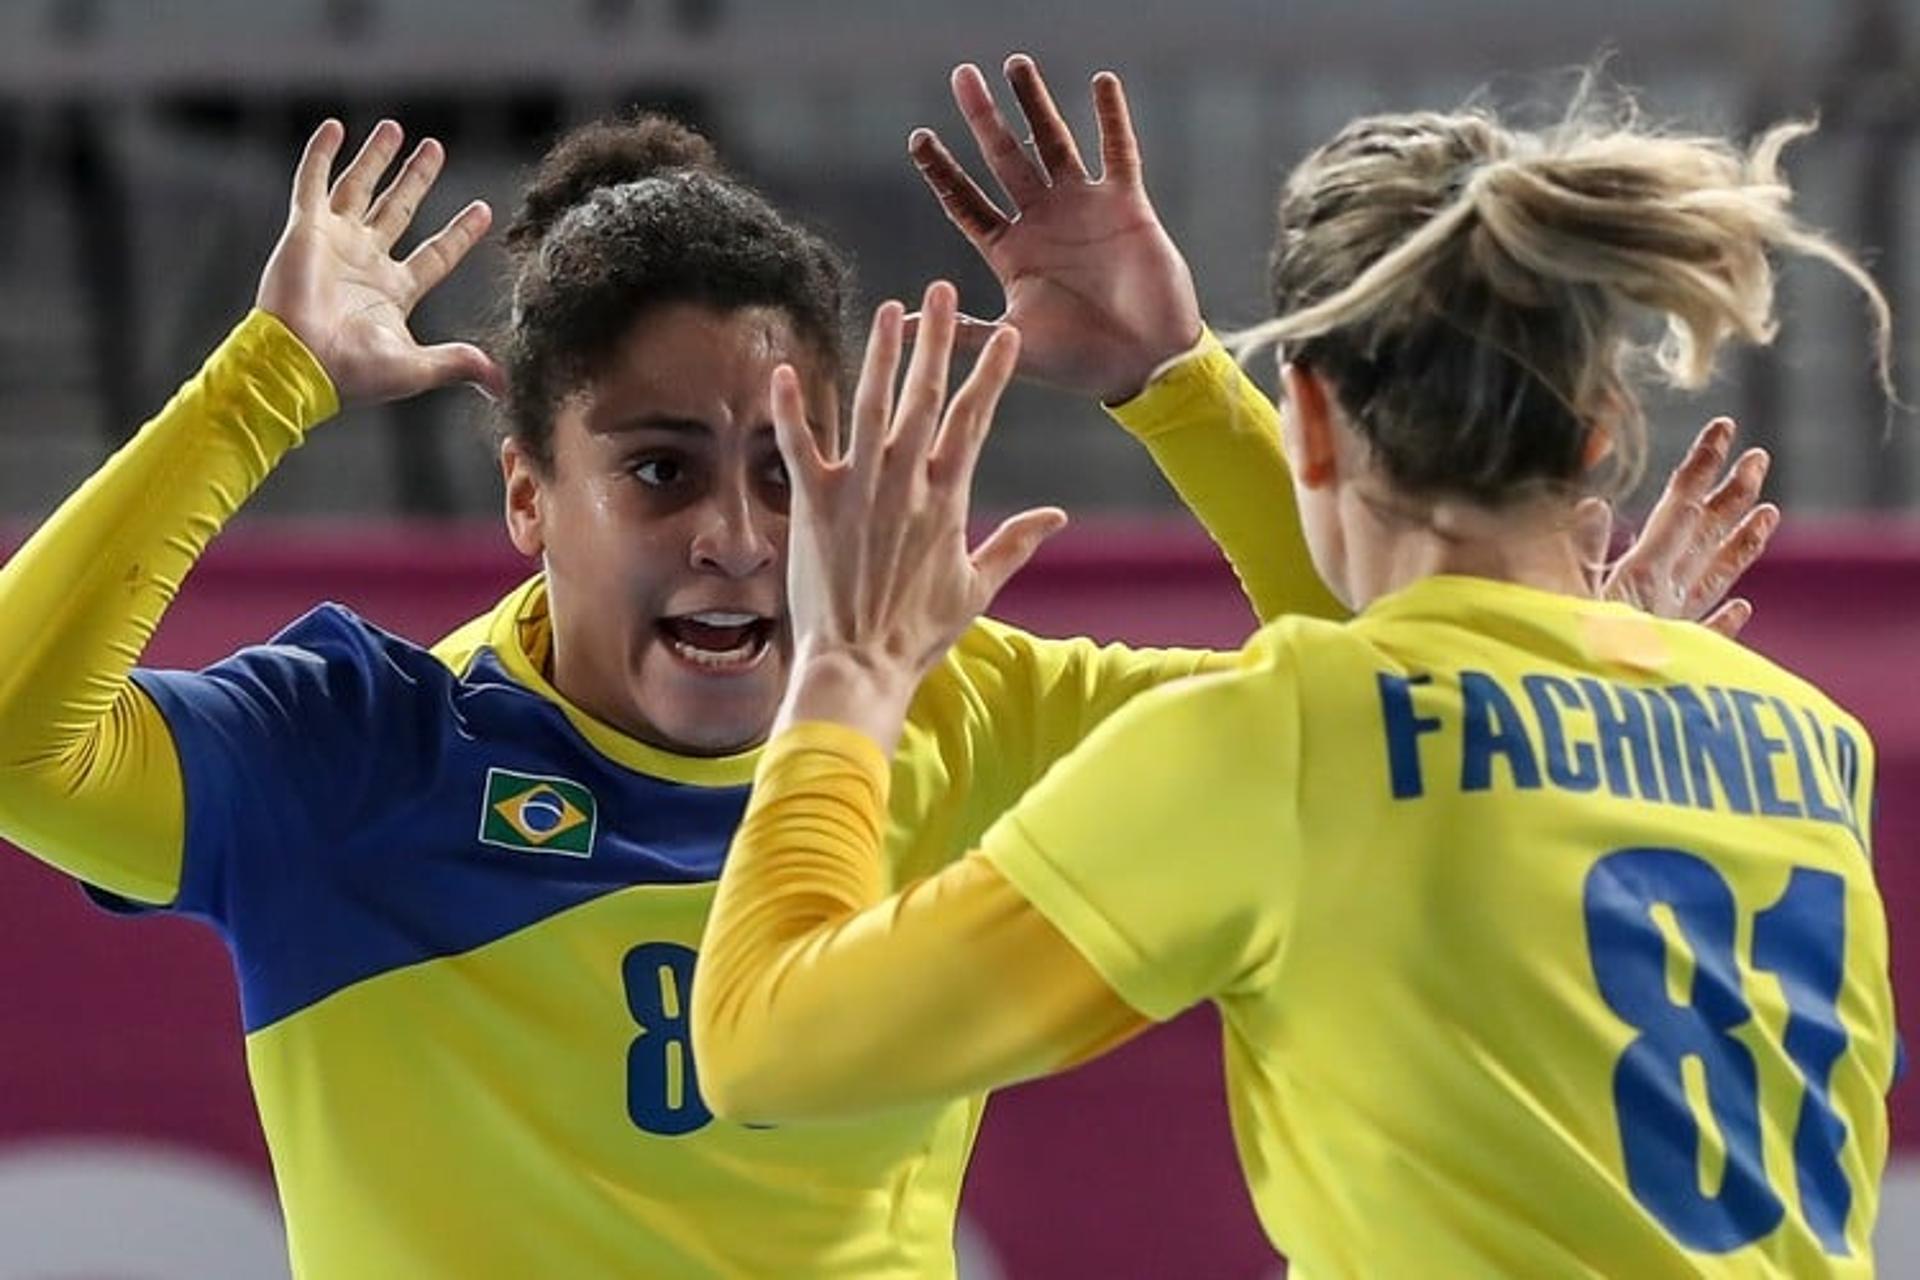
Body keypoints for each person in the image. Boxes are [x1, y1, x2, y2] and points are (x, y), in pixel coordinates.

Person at [0, 74, 1771, 1277]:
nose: (739, 535)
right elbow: (19, 744)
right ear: (529, 492)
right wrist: (265, 384)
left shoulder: (959, 706)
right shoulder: (358, 750)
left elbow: (1369, 713)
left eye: (789, 466)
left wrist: (1174, 376)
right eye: (663, 469)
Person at [691, 66, 1899, 1278]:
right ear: (1593, 432)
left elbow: (764, 1046)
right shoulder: (1806, 735)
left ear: (1311, 420)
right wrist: (1177, 384)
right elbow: (1417, 700)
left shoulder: (1283, 744)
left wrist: (845, 669)